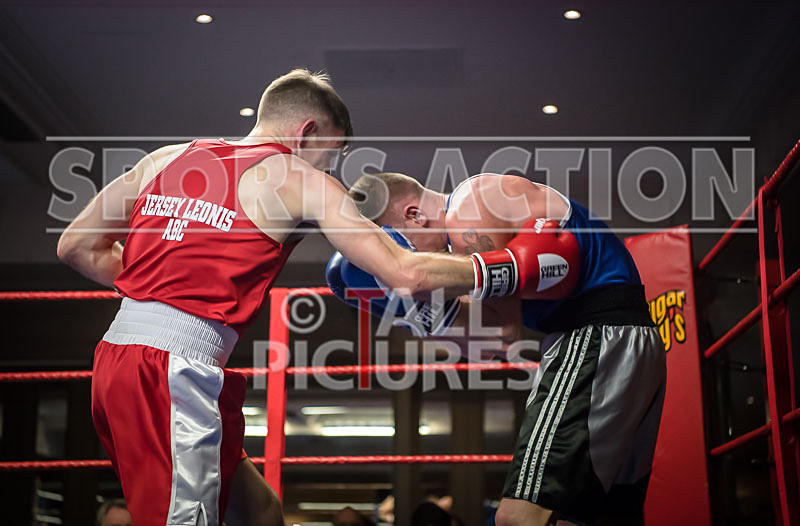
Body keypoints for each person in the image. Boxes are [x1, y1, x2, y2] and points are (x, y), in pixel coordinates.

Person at [57, 69, 550, 526]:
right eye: (330, 154)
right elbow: (405, 273)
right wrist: (507, 269)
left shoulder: (168, 157)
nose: (329, 168)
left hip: (117, 360)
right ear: (307, 132)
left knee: (259, 511)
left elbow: (76, 245)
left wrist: (161, 291)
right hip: (172, 374)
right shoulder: (303, 180)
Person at [329, 172, 667, 526]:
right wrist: (418, 313)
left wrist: (417, 291)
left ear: (414, 215)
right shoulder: (466, 225)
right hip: (621, 341)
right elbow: (488, 346)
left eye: (399, 248)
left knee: (518, 518)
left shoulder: (467, 214)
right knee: (591, 516)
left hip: (596, 338)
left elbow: (504, 335)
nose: (404, 259)